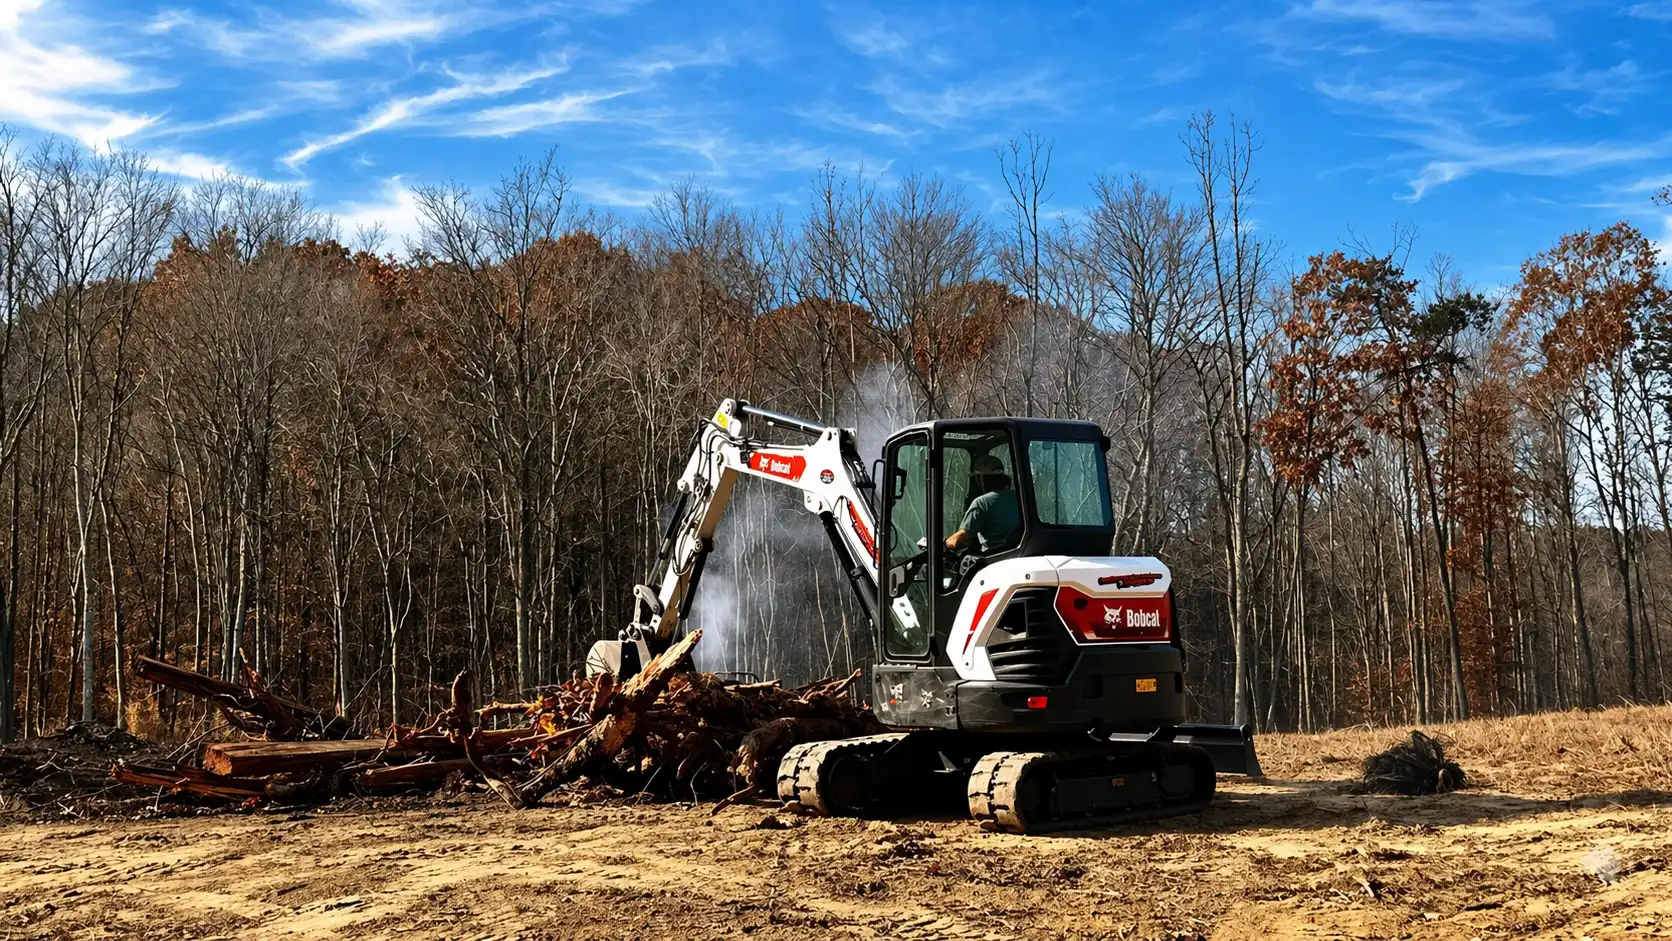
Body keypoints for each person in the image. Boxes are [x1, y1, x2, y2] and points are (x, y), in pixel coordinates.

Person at [944, 453, 1021, 554]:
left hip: (993, 559)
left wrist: (946, 543)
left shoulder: (981, 503)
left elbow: (961, 538)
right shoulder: (1019, 498)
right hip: (1018, 554)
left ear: (981, 480)